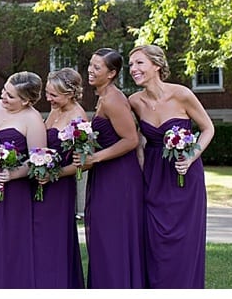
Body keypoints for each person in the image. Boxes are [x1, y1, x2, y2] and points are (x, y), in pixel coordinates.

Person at [128, 44, 215, 288]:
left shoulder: (182, 94)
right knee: (155, 239)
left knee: (184, 240)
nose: (133, 69)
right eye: (131, 65)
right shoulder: (134, 101)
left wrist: (191, 157)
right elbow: (136, 139)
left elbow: (208, 128)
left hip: (184, 175)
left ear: (156, 65)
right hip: (153, 177)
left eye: (139, 63)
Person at [80, 48, 145, 288]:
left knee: (112, 239)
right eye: (90, 64)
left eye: (97, 67)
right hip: (105, 174)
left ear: (111, 73)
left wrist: (95, 158)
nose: (90, 70)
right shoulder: (102, 97)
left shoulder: (113, 99)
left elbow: (131, 139)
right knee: (102, 239)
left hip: (119, 179)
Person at [0, 71, 47, 288]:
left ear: (26, 100)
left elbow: (38, 160)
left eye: (10, 96)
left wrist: (13, 173)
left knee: (9, 244)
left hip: (14, 192)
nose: (3, 98)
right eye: (4, 91)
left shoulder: (33, 119)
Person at [32, 68, 85, 288]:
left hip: (60, 187)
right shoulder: (55, 111)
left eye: (54, 95)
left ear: (70, 93)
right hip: (42, 183)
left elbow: (81, 163)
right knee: (39, 238)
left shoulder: (78, 117)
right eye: (47, 93)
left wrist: (54, 175)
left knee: (55, 239)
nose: (48, 99)